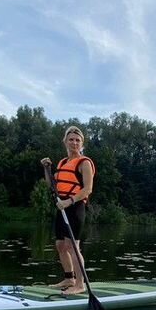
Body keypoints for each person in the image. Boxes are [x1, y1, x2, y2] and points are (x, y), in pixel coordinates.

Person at [40, 125, 96, 295]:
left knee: (73, 246)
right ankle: (69, 278)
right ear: (65, 141)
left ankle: (80, 284)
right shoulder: (63, 162)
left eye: (78, 140)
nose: (74, 142)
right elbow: (51, 185)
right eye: (71, 139)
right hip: (62, 207)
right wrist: (46, 169)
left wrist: (69, 201)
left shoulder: (84, 162)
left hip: (75, 207)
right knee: (60, 245)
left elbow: (88, 189)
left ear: (82, 143)